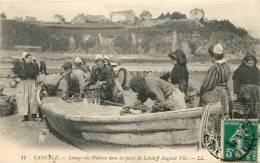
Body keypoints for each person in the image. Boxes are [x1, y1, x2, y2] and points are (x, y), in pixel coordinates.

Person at [199, 44, 231, 117]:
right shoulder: (226, 65)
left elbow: (208, 84)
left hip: (215, 93)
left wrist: (202, 89)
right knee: (223, 112)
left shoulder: (215, 67)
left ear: (213, 56)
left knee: (212, 112)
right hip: (224, 91)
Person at [232, 54, 260, 119]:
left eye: (252, 63)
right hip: (244, 91)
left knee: (256, 106)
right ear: (245, 62)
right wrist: (236, 93)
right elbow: (236, 83)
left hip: (256, 92)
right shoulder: (239, 71)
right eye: (249, 63)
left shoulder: (256, 70)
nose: (250, 65)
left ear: (254, 63)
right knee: (247, 106)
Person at [14, 52, 39, 121]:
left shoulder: (34, 65)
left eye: (31, 58)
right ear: (25, 58)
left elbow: (37, 76)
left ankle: (34, 116)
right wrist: (17, 80)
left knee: (33, 99)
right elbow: (17, 76)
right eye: (29, 58)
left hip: (32, 82)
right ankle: (25, 116)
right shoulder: (21, 65)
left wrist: (37, 84)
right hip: (23, 83)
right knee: (24, 99)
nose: (30, 59)